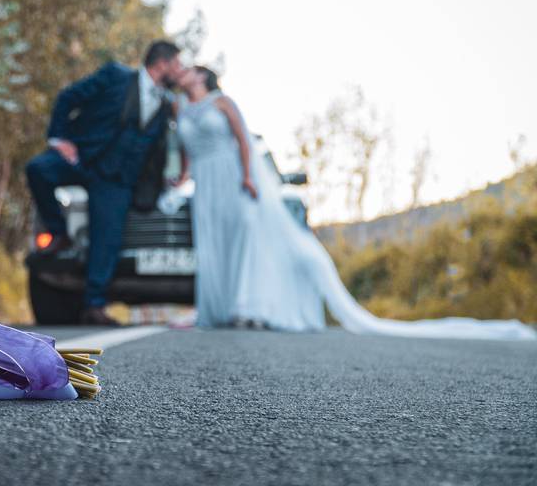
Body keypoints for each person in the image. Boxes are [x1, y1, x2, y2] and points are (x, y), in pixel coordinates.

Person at [174, 64, 536, 340]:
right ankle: (216, 308)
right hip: (205, 186)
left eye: (192, 69)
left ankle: (247, 307)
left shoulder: (223, 102)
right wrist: (180, 177)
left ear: (205, 77)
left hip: (234, 179)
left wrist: (249, 176)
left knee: (245, 241)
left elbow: (242, 140)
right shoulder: (181, 109)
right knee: (214, 243)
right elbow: (186, 151)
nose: (185, 72)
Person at [26, 41, 184, 325]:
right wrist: (59, 140)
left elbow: (156, 150)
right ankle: (59, 234)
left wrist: (162, 180)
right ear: (162, 63)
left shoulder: (165, 102)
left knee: (107, 239)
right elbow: (68, 97)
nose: (180, 70)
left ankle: (94, 305)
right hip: (82, 159)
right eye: (177, 64)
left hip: (116, 180)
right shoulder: (115, 75)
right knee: (37, 169)